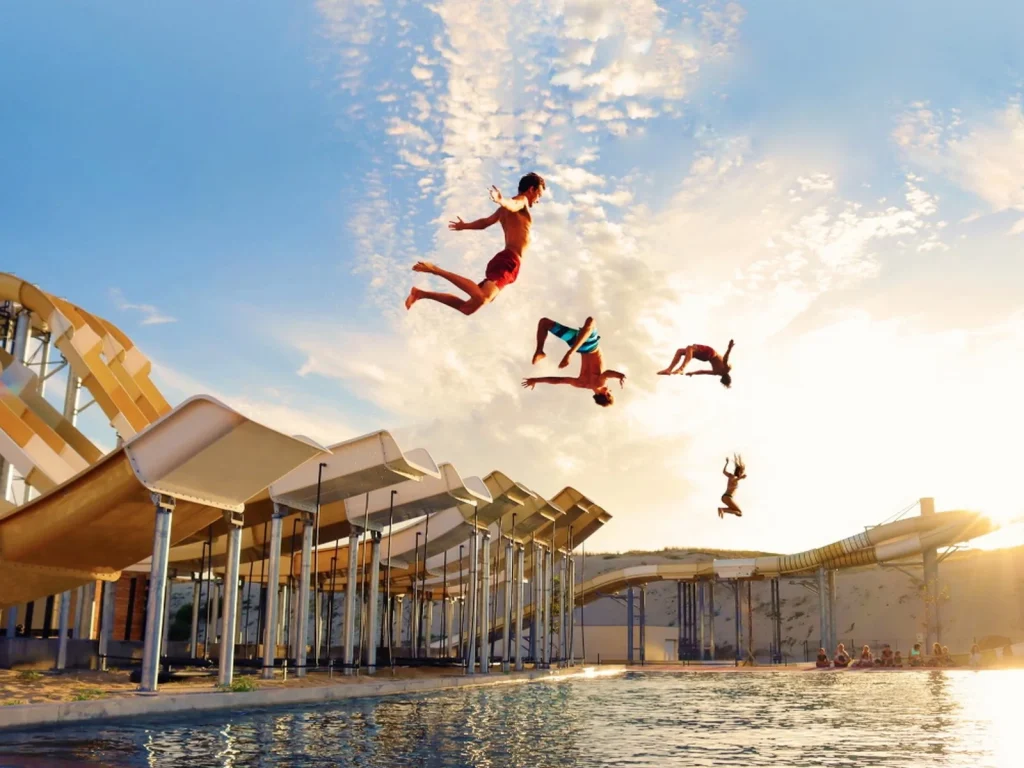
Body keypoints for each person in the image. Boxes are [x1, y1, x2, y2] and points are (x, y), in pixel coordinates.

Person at [405, 173, 545, 315]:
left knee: (467, 308)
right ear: (531, 189)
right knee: (482, 298)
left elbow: (485, 222)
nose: (538, 200)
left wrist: (464, 226)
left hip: (508, 262)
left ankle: (421, 294)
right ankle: (435, 269)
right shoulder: (522, 202)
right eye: (539, 194)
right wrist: (502, 200)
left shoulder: (503, 211)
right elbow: (514, 204)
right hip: (510, 260)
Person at [522, 316, 626, 407]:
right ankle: (540, 351)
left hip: (589, 345)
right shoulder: (581, 384)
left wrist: (620, 375)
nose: (610, 390)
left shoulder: (600, 384)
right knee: (544, 323)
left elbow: (607, 374)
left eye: (610, 393)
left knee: (591, 321)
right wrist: (535, 380)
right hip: (578, 342)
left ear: (605, 395)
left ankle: (557, 351)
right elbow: (559, 381)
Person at [657, 340, 735, 388]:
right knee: (681, 351)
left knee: (690, 348)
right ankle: (669, 370)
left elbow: (725, 359)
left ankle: (680, 369)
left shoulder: (727, 369)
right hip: (705, 358)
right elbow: (702, 371)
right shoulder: (716, 373)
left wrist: (729, 349)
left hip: (710, 353)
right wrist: (692, 373)